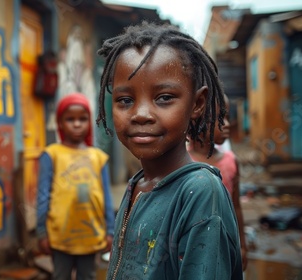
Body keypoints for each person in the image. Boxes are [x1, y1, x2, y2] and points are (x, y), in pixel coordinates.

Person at [96, 22, 243, 279]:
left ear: (197, 103)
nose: (141, 114)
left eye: (164, 97)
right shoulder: (138, 185)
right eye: (125, 100)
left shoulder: (200, 193)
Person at [36, 93, 115, 280]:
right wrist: (41, 232)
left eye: (82, 119)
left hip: (90, 234)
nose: (77, 124)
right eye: (70, 119)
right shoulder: (52, 154)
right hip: (60, 235)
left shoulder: (98, 157)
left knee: (87, 276)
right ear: (60, 123)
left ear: (89, 122)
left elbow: (106, 197)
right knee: (60, 276)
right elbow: (43, 195)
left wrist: (110, 231)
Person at [188, 94, 248, 271]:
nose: (228, 125)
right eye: (221, 119)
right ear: (198, 120)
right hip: (191, 248)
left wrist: (242, 245)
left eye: (228, 118)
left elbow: (236, 206)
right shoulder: (183, 164)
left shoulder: (230, 161)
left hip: (225, 244)